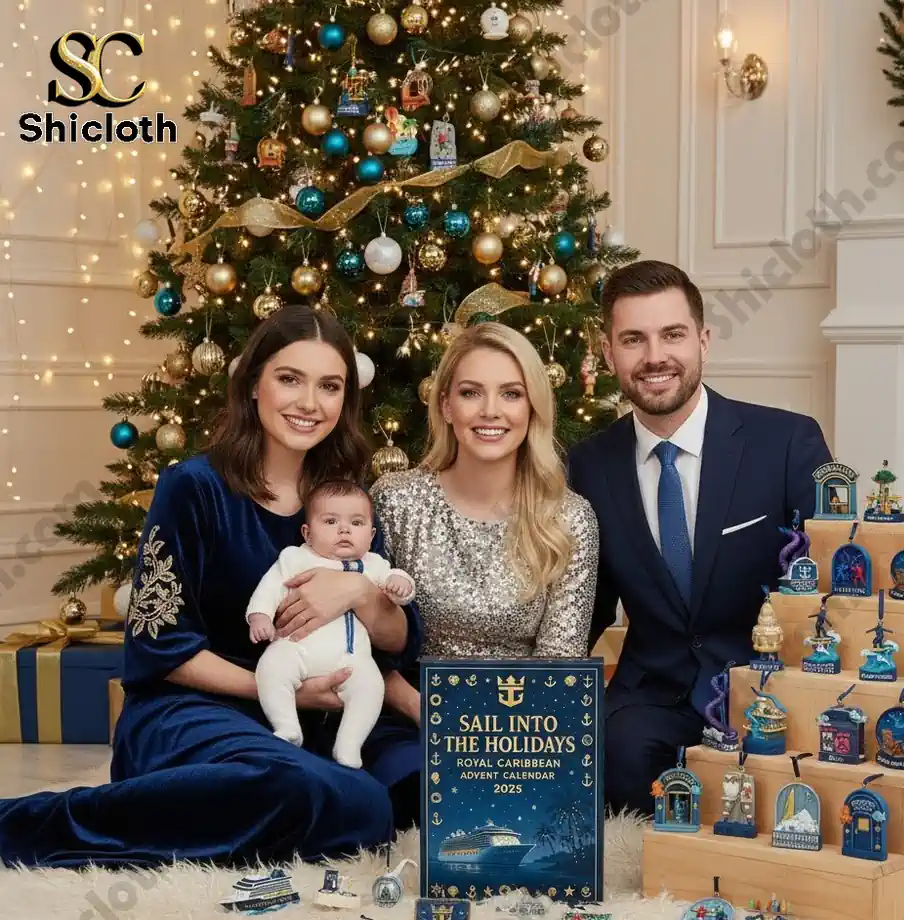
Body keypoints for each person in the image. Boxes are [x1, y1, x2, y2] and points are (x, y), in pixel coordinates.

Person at [0, 305, 424, 868]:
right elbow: (160, 646)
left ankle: (277, 796)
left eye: (330, 386)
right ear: (253, 385)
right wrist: (282, 690)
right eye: (289, 379)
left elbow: (397, 641)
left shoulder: (344, 497)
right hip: (190, 712)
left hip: (318, 718)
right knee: (345, 802)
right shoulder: (192, 487)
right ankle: (32, 825)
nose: (309, 403)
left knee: (418, 785)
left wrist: (360, 595)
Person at [567, 261, 833, 815]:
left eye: (672, 335)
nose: (654, 356)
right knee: (611, 775)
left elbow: (828, 588)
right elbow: (582, 605)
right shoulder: (588, 465)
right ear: (609, 352)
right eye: (633, 339)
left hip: (768, 687)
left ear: (703, 341)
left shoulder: (786, 442)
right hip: (651, 695)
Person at [369, 322, 599, 713]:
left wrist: (499, 736)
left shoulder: (569, 518)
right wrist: (429, 714)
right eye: (471, 393)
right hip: (408, 717)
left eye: (511, 394)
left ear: (531, 408)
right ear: (446, 405)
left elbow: (560, 665)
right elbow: (361, 643)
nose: (490, 411)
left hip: (525, 728)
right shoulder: (395, 500)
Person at [248, 479, 416, 767]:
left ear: (371, 533)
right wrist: (260, 616)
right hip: (296, 648)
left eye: (357, 523)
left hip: (351, 659)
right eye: (330, 521)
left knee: (370, 687)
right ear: (307, 532)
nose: (344, 530)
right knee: (271, 668)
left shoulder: (374, 565)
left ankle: (349, 745)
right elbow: (269, 587)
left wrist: (401, 585)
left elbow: (398, 589)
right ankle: (287, 725)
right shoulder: (296, 558)